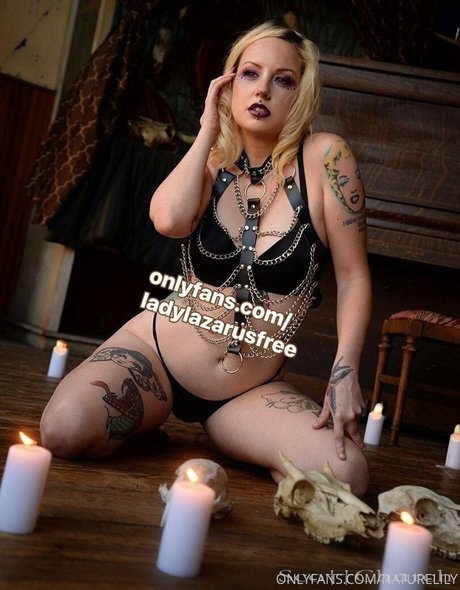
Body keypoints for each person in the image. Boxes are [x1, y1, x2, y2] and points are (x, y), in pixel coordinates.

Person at [40, 21, 371, 497]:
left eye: (283, 80)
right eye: (250, 74)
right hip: (157, 356)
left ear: (302, 95)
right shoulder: (214, 159)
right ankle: (149, 419)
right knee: (63, 429)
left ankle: (227, 438)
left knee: (348, 475)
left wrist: (346, 372)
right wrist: (208, 131)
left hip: (246, 393)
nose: (262, 89)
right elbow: (168, 221)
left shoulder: (326, 159)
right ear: (229, 83)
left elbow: (354, 276)